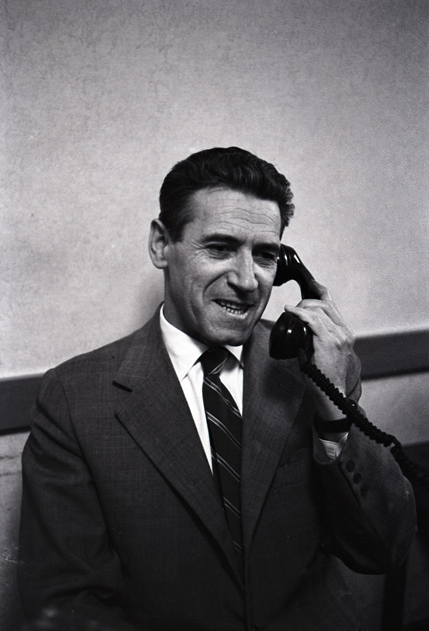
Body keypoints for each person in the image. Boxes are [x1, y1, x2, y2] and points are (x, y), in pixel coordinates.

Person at [18, 147, 416, 631]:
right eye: (220, 248)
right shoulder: (74, 397)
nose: (248, 281)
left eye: (265, 255)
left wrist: (335, 418)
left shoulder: (312, 370)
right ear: (161, 245)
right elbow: (66, 603)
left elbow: (384, 548)